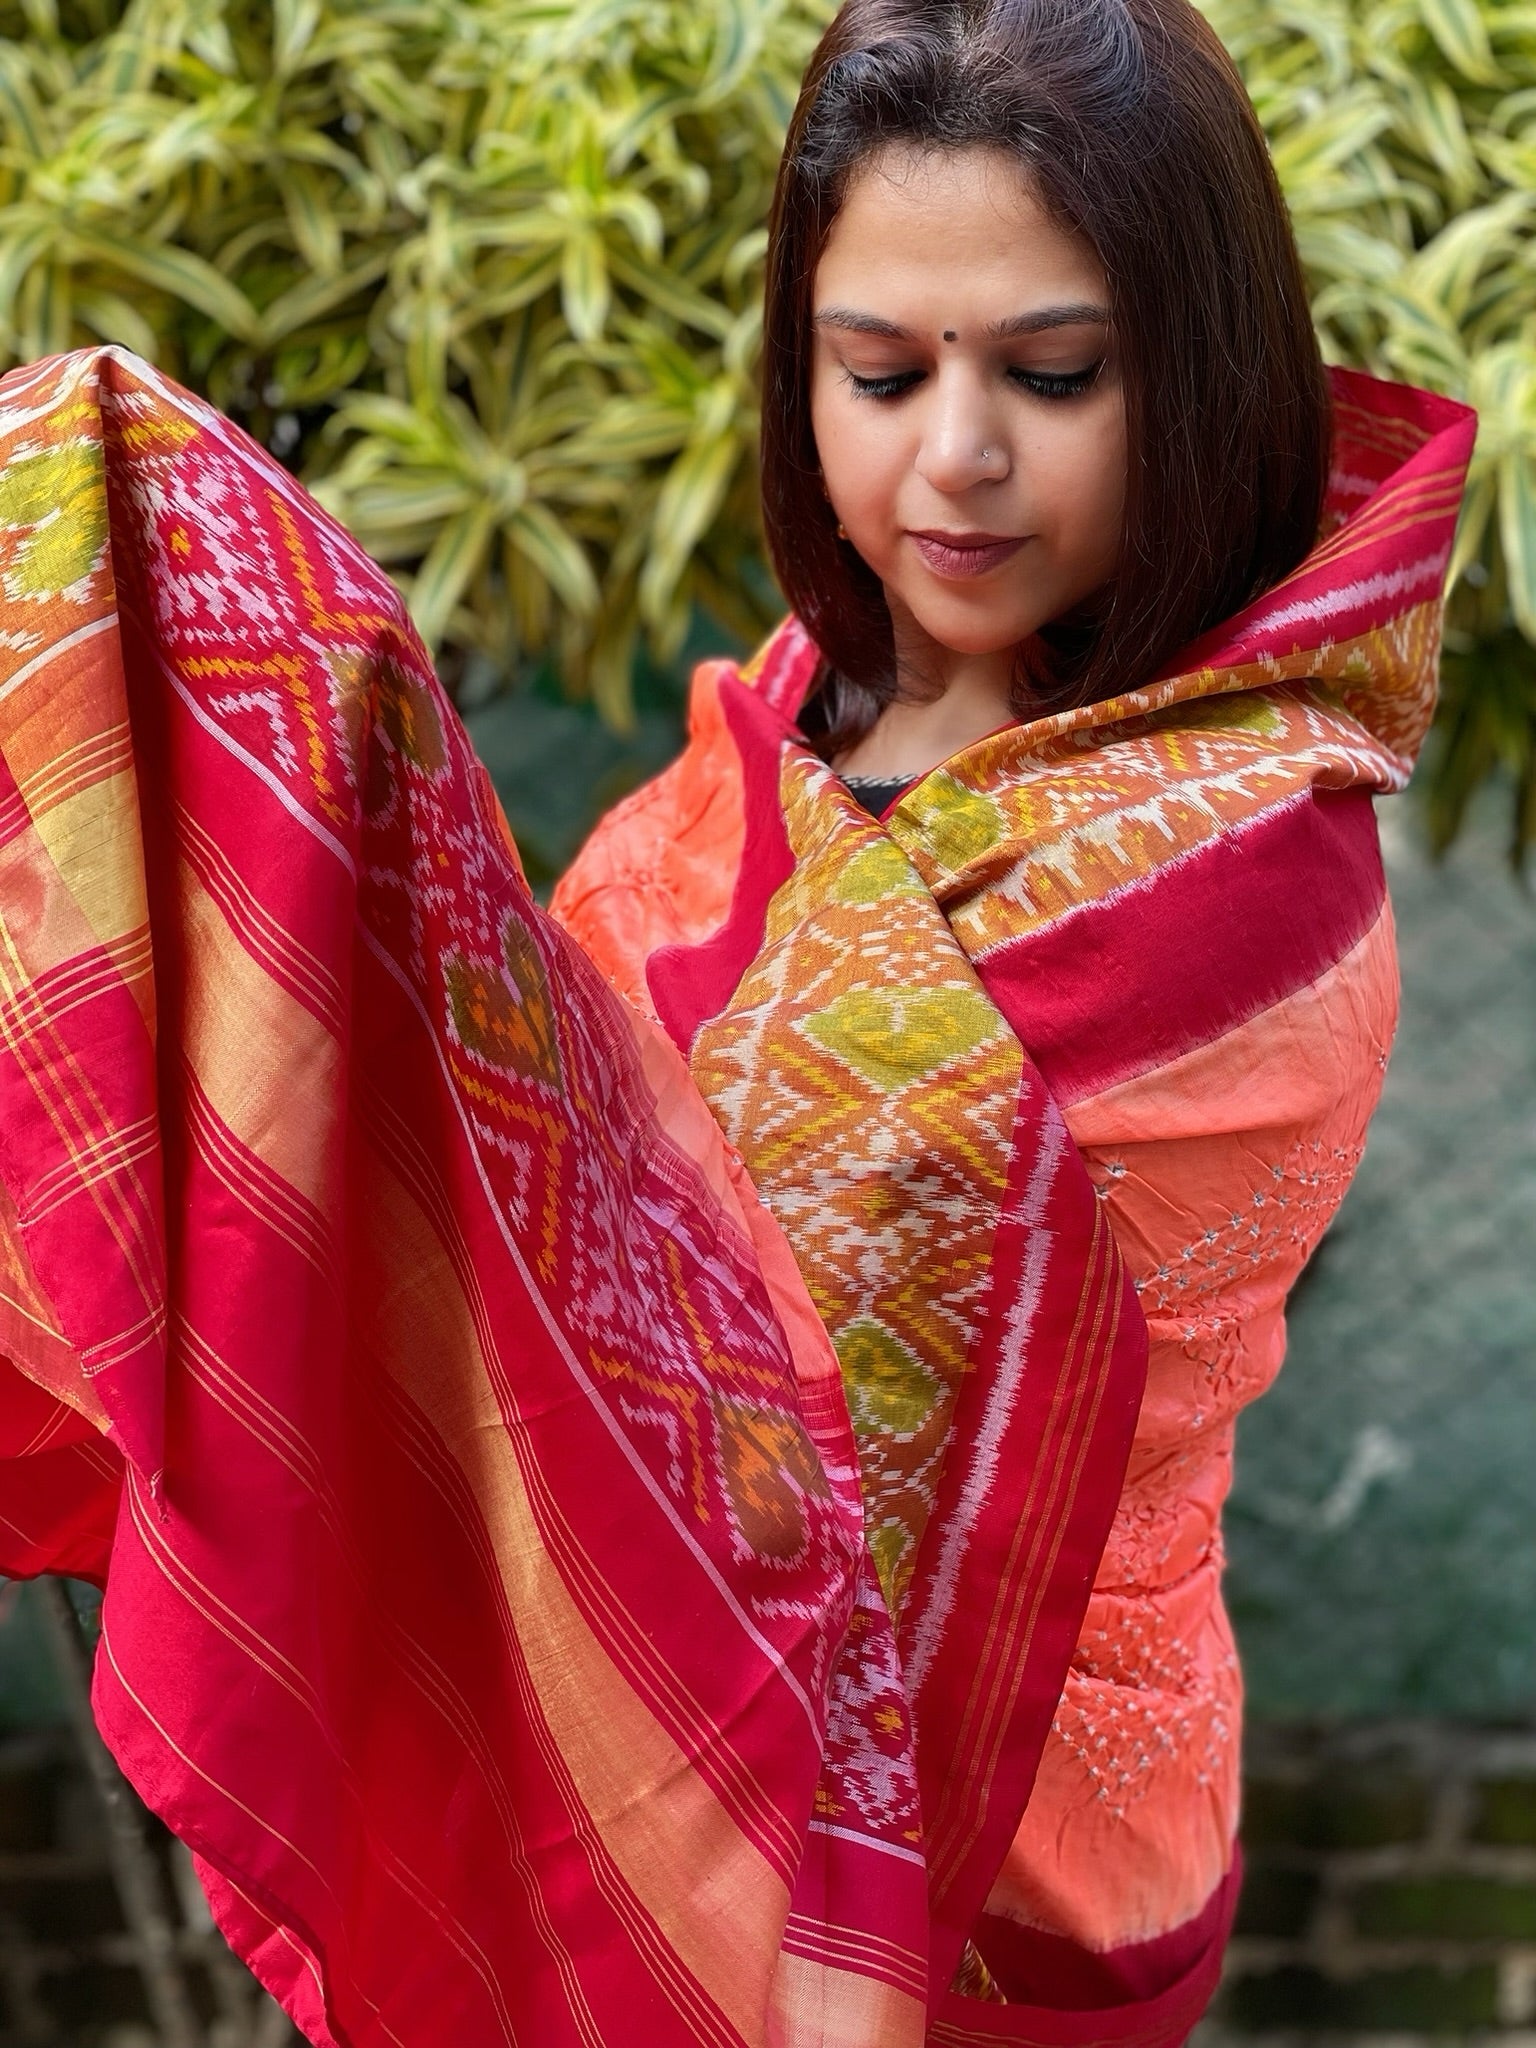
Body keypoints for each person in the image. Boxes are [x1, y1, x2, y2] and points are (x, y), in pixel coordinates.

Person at [0, 1, 1472, 2045]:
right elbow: (596, 1169)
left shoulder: (1233, 897)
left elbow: (716, 1300)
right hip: (667, 1734)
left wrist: (337, 752)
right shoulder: (800, 711)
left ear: (1204, 375)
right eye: (879, 372)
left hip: (1005, 1879)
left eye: (1051, 375)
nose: (951, 457)